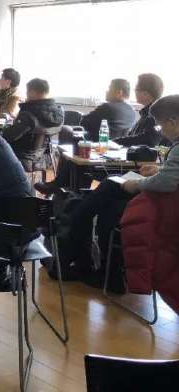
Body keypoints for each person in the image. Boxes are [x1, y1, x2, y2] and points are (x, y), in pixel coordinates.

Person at [66, 95, 179, 292]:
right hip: (166, 205)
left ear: (173, 122)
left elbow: (167, 183)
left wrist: (137, 184)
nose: (161, 131)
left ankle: (82, 252)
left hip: (165, 212)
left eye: (161, 126)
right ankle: (110, 274)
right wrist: (159, 170)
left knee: (108, 190)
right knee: (110, 208)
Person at [3, 78, 64, 172]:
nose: (26, 94)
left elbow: (8, 136)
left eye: (27, 91)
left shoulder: (28, 113)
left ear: (32, 92)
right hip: (46, 158)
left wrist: (3, 129)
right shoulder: (58, 112)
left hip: (22, 158)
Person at [116, 73, 165, 147]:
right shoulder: (146, 113)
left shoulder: (156, 114)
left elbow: (148, 139)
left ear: (145, 94)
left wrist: (115, 142)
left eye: (136, 89)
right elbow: (132, 136)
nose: (134, 92)